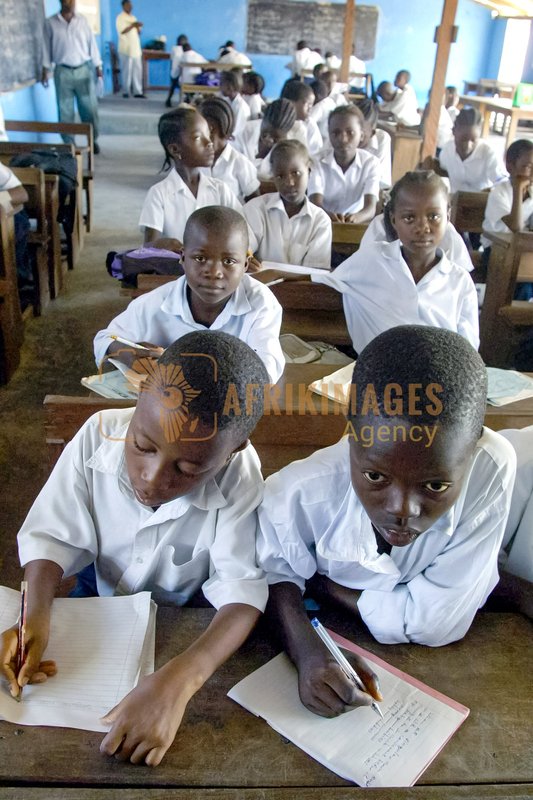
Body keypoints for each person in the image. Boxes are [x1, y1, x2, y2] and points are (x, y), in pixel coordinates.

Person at [0, 331, 271, 766]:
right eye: (142, 446)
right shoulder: (98, 433)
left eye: (187, 468)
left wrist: (180, 682)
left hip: (180, 620)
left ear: (231, 452)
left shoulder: (240, 477)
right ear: (141, 394)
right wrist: (33, 614)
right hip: (97, 600)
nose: (152, 477)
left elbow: (241, 592)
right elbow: (51, 536)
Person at [256, 324, 516, 716]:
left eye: (435, 484)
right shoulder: (298, 493)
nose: (403, 509)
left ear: (474, 445)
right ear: (352, 433)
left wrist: (324, 586)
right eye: (375, 477)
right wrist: (307, 650)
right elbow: (274, 576)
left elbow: (436, 624)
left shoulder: (491, 468)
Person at [95, 205, 284, 383]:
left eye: (228, 261)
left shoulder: (261, 303)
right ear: (183, 258)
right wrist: (127, 354)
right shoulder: (157, 302)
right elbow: (105, 339)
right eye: (200, 258)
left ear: (245, 265)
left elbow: (267, 368)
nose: (214, 272)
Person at [314, 170, 479, 351]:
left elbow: (468, 351)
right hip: (378, 372)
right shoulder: (371, 260)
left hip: (439, 375)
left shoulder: (460, 282)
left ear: (447, 216)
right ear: (393, 220)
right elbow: (321, 277)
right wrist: (279, 272)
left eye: (433, 216)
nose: (422, 227)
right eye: (409, 217)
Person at [139, 108, 241, 246]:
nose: (209, 142)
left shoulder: (220, 190)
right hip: (175, 266)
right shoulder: (159, 194)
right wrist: (163, 245)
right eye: (198, 138)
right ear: (175, 149)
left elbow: (242, 230)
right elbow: (147, 249)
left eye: (208, 135)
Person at [243, 140, 331, 269]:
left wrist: (276, 273)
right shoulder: (256, 209)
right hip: (259, 286)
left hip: (302, 289)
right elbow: (243, 250)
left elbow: (315, 273)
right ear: (273, 176)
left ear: (309, 171)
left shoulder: (320, 221)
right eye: (280, 176)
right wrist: (245, 258)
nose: (289, 182)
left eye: (296, 173)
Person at [42, 0, 103, 154]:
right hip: (62, 71)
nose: (72, 2)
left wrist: (98, 66)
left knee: (89, 108)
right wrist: (45, 68)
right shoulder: (51, 23)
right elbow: (45, 47)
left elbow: (92, 45)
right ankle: (69, 145)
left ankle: (92, 140)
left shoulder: (82, 21)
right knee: (65, 110)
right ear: (61, 1)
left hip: (83, 69)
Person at [308, 105, 380, 224]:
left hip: (356, 223)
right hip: (322, 221)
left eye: (350, 132)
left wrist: (354, 219)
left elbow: (370, 208)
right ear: (329, 135)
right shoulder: (317, 161)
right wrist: (330, 218)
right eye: (335, 133)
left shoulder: (371, 163)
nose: (343, 139)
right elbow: (315, 204)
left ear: (361, 135)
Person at [481, 138, 533, 300]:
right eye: (528, 166)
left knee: (526, 285)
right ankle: (503, 323)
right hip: (496, 253)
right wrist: (518, 187)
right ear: (510, 166)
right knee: (521, 289)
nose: (532, 172)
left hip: (522, 253)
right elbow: (516, 226)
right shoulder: (499, 194)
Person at [428, 108, 507, 193]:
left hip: (481, 203)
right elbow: (442, 171)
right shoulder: (447, 151)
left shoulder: (488, 154)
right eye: (463, 139)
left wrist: (491, 191)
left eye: (473, 140)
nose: (468, 145)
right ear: (454, 131)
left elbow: (502, 182)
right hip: (454, 201)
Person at [198, 97, 259, 203]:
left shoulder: (240, 163)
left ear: (211, 129)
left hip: (232, 218)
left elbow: (255, 201)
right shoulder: (196, 161)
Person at [232, 98, 307, 179]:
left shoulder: (297, 135)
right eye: (264, 133)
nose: (268, 139)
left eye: (275, 139)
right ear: (263, 120)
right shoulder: (244, 132)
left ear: (287, 133)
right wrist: (261, 154)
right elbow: (236, 167)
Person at [354, 97, 392, 188]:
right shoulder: (341, 134)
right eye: (352, 132)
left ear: (372, 133)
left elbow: (381, 182)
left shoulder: (381, 139)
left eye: (362, 135)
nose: (355, 139)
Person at [280, 80, 323, 155]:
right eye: (308, 105)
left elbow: (317, 152)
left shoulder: (309, 124)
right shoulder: (276, 121)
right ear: (290, 102)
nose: (310, 109)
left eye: (311, 105)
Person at [116, 0, 145, 99]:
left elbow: (138, 33)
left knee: (137, 71)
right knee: (126, 71)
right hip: (125, 49)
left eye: (131, 5)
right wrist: (133, 25)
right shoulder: (120, 18)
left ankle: (138, 91)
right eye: (128, 5)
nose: (130, 7)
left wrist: (137, 27)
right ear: (124, 6)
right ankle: (126, 91)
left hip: (135, 49)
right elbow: (122, 31)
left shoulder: (133, 18)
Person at [219, 71, 250, 137]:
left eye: (221, 84)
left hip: (236, 141)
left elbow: (235, 132)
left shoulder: (240, 107)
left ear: (230, 87)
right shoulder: (227, 101)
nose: (220, 87)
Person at [166, 34, 189, 108]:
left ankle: (168, 100)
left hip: (175, 71)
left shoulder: (174, 49)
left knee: (172, 86)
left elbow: (171, 59)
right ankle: (186, 100)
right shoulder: (185, 50)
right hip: (182, 72)